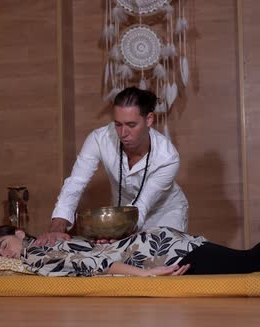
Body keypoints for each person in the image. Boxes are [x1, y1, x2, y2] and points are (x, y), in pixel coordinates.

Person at [0, 212, 260, 277]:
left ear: (16, 233)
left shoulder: (37, 252)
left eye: (3, 246)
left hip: (159, 250)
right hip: (155, 245)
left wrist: (145, 275)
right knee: (244, 261)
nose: (6, 255)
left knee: (247, 262)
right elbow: (93, 261)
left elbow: (96, 265)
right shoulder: (40, 254)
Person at [35, 87, 188, 246]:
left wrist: (119, 233)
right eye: (118, 124)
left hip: (164, 213)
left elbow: (142, 206)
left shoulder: (167, 158)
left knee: (161, 259)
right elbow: (76, 182)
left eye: (131, 124)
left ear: (149, 119)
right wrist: (58, 225)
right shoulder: (99, 139)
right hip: (122, 216)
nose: (123, 133)